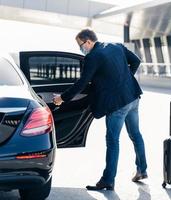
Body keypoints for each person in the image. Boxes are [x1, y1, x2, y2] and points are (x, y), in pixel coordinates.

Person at [53, 29, 148, 190]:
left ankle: (108, 180)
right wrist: (124, 80)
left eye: (80, 45)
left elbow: (82, 83)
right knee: (135, 134)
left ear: (88, 41)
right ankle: (142, 169)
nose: (81, 49)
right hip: (132, 97)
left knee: (112, 141)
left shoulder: (93, 57)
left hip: (117, 104)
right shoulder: (117, 46)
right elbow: (136, 61)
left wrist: (62, 98)